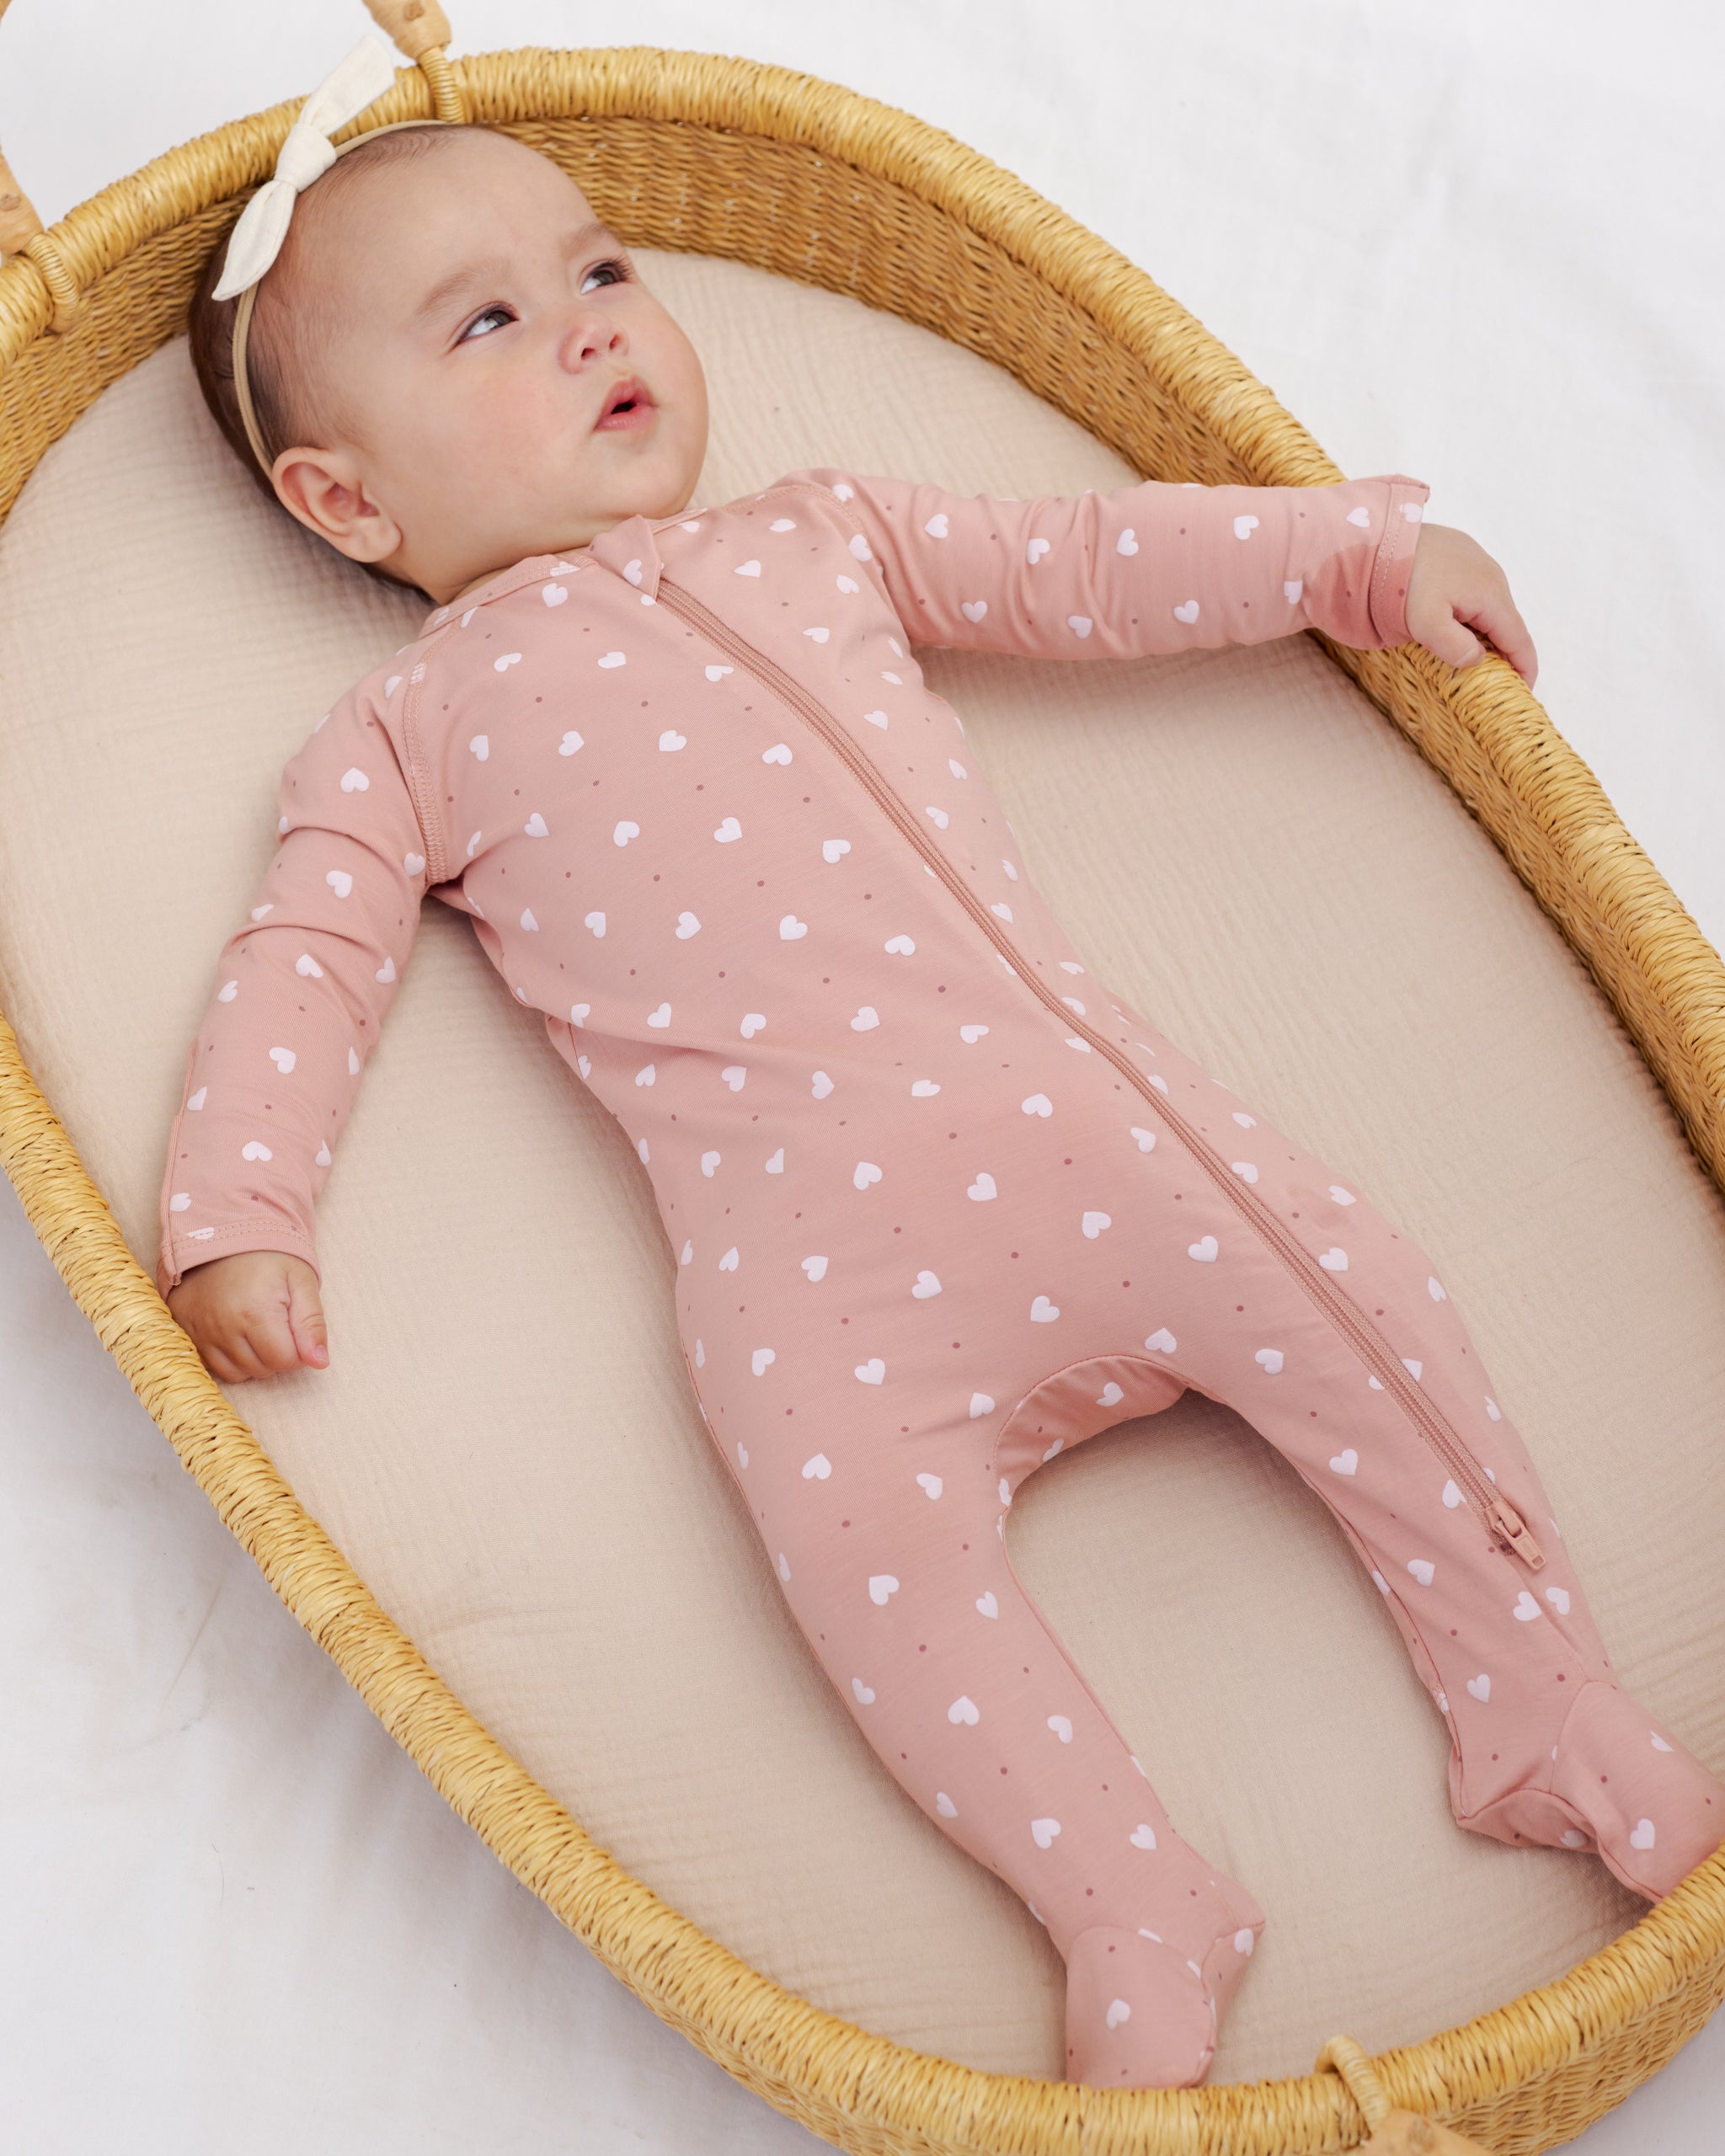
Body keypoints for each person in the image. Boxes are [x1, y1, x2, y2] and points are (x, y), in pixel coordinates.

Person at [156, 39, 1722, 2088]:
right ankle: (1126, 1895)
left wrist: (1343, 554)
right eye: (493, 321)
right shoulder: (403, 732)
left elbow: (1090, 564)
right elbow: (302, 963)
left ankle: (1539, 1699)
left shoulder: (822, 536)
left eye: (602, 267)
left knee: (1363, 1300)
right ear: (345, 497)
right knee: (868, 1572)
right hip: (811, 1278)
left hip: (1090, 1132)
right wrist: (237, 1208)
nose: (596, 327)